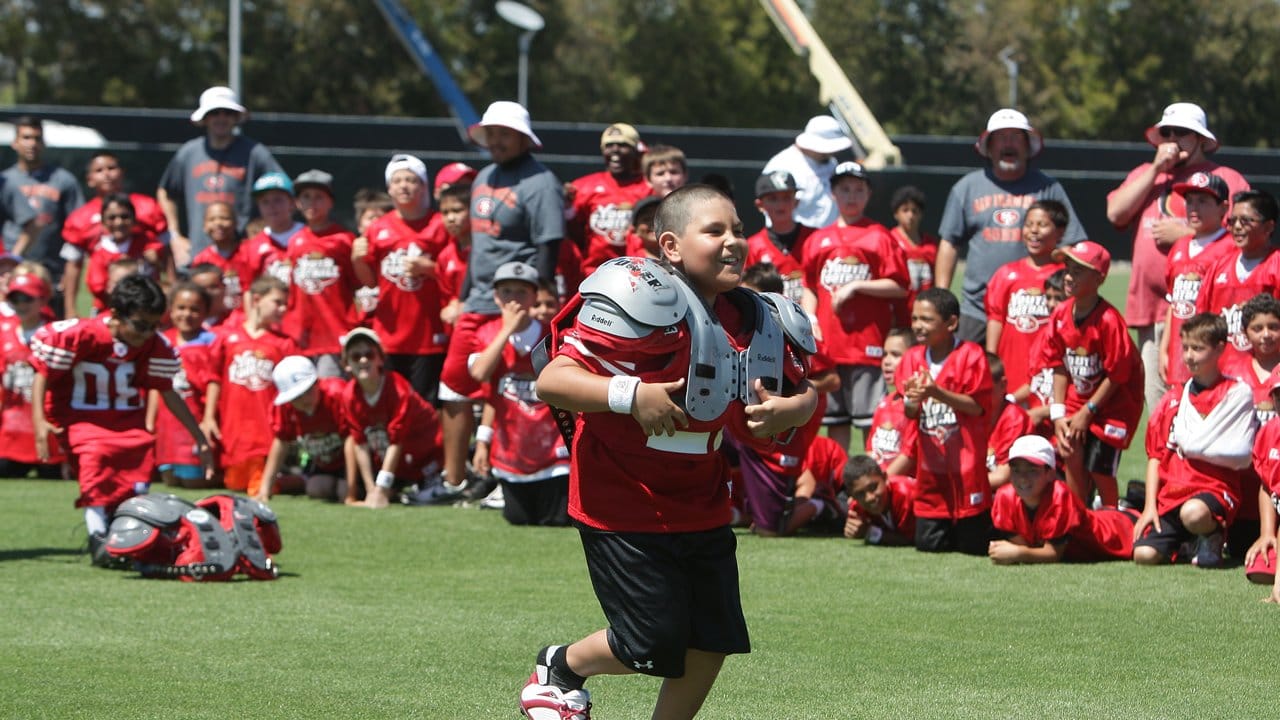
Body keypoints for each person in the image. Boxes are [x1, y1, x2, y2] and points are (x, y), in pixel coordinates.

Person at [521, 185, 818, 719]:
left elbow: (809, 390)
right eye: (715, 231)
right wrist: (630, 394)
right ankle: (561, 666)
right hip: (622, 501)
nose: (733, 242)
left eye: (739, 231)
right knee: (651, 643)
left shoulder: (757, 317)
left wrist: (791, 412)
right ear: (671, 245)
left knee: (712, 638)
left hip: (701, 502)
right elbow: (553, 380)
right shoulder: (638, 295)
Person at [30, 274, 212, 567]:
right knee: (95, 466)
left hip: (127, 420)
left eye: (154, 326)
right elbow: (43, 374)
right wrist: (39, 420)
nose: (146, 334)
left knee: (137, 473)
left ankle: (135, 534)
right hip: (81, 417)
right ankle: (97, 537)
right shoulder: (79, 334)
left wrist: (199, 437)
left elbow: (167, 390)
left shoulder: (152, 344)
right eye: (140, 325)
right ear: (115, 314)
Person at [438, 101, 565, 502]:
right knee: (453, 386)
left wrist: (539, 299)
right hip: (477, 300)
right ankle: (454, 482)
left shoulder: (541, 182)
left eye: (503, 133)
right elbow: (478, 248)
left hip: (516, 302)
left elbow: (549, 243)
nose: (494, 140)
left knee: (515, 392)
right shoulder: (483, 178)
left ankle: (512, 477)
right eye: (490, 133)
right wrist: (461, 298)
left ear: (523, 137)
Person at [1106, 102, 1250, 413]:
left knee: (1208, 406)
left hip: (1208, 316)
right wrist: (1156, 169)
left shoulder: (1225, 177)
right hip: (1152, 310)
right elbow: (1116, 212)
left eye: (1182, 133)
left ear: (1200, 139)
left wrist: (1185, 233)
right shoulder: (1146, 174)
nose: (1172, 139)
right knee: (1161, 408)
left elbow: (1244, 235)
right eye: (1166, 132)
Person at [935, 108, 1085, 345]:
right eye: (1001, 137)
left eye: (1015, 137)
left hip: (1033, 307)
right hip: (977, 310)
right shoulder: (966, 188)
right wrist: (941, 295)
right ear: (989, 147)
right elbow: (949, 243)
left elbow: (1074, 244)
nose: (1008, 144)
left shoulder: (1049, 188)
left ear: (1027, 146)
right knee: (967, 376)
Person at [1135, 313, 1258, 568]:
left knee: (1193, 513)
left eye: (1198, 348)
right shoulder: (1173, 400)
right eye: (1186, 348)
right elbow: (1155, 456)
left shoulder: (1236, 394)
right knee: (1144, 556)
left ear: (1220, 348)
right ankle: (1187, 542)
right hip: (1173, 494)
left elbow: (1242, 453)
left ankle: (1211, 535)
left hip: (1215, 491)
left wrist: (1196, 446)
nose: (1189, 355)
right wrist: (1149, 507)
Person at [801, 161, 907, 452]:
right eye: (845, 189)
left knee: (870, 421)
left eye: (858, 190)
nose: (851, 196)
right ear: (833, 193)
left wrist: (857, 286)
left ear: (868, 194)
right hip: (829, 346)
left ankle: (869, 478)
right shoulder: (818, 240)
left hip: (866, 344)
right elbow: (809, 286)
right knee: (836, 421)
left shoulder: (880, 236)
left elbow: (899, 285)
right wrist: (810, 318)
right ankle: (839, 485)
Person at [1041, 241, 1143, 508]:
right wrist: (1059, 413)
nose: (1068, 276)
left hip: (1114, 404)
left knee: (1100, 467)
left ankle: (1111, 517)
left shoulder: (1109, 320)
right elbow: (1058, 364)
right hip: (1079, 398)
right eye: (1068, 268)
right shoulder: (1061, 314)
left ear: (1099, 278)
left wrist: (1089, 411)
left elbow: (1118, 376)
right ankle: (1079, 517)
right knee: (1070, 451)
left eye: (1079, 270)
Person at [466, 264, 569, 525]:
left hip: (552, 451)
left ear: (534, 296)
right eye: (506, 291)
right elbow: (481, 375)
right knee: (519, 519)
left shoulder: (553, 335)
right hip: (511, 449)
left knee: (555, 521)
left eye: (522, 292)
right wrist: (482, 441)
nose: (513, 299)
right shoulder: (486, 334)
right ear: (495, 296)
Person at [897, 287, 993, 554]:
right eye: (915, 319)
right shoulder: (911, 358)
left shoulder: (971, 355)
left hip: (966, 467)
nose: (918, 326)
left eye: (927, 319)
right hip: (932, 471)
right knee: (929, 546)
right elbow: (909, 413)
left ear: (951, 323)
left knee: (972, 546)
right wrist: (912, 401)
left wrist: (936, 392)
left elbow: (977, 407)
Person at [352, 155, 449, 401]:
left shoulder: (439, 224)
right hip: (390, 335)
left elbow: (456, 274)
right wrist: (357, 259)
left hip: (429, 335)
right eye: (397, 181)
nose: (403, 186)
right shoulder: (378, 228)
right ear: (389, 188)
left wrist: (429, 268)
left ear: (423, 186)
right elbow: (370, 282)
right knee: (393, 402)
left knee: (425, 405)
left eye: (410, 180)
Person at [156, 86, 283, 267]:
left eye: (228, 113)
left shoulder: (255, 153)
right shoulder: (188, 153)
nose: (221, 118)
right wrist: (175, 236)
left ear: (236, 118)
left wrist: (264, 226)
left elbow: (281, 190)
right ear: (205, 118)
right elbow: (166, 192)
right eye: (214, 113)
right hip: (198, 256)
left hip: (243, 254)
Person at [201, 275, 298, 499]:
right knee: (235, 484)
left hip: (266, 425)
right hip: (234, 424)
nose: (283, 309)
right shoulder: (227, 336)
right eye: (277, 302)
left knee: (259, 486)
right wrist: (209, 416)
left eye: (285, 304)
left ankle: (298, 480)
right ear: (256, 300)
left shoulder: (283, 342)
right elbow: (213, 377)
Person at [988, 435, 1138, 564]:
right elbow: (1031, 547)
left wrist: (1018, 554)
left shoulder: (1059, 496)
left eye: (1032, 470)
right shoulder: (1004, 497)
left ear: (1050, 474)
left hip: (1121, 531)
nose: (1022, 478)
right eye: (1016, 470)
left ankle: (1135, 502)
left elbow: (1053, 553)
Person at [339, 328, 442, 509]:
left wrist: (382, 487)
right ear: (346, 364)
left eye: (369, 354)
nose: (363, 360)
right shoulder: (349, 395)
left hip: (427, 456)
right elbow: (359, 443)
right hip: (396, 464)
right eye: (355, 356)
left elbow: (397, 440)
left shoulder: (398, 389)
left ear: (380, 358)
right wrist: (372, 489)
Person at [60, 152, 168, 319]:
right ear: (90, 179)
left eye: (111, 168)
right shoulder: (80, 218)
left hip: (147, 299)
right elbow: (73, 266)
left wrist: (171, 285)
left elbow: (167, 254)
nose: (107, 174)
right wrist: (70, 309)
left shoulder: (147, 207)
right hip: (105, 303)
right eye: (99, 170)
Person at [983, 200, 1066, 399]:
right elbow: (995, 320)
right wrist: (990, 362)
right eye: (1029, 225)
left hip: (1049, 373)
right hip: (1011, 370)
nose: (1033, 231)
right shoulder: (1006, 274)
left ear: (1060, 232)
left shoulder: (1064, 276)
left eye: (1042, 225)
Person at [1159, 172, 1235, 388]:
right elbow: (1173, 304)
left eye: (1203, 201)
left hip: (1213, 354)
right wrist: (1165, 349)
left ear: (1223, 207)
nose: (1194, 207)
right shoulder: (1179, 247)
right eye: (1190, 201)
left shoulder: (1230, 247)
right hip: (1181, 351)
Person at [3, 115, 85, 312]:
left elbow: (77, 230)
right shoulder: (5, 181)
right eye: (26, 138)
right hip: (13, 269)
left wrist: (69, 271)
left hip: (52, 269)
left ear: (44, 143)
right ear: (15, 143)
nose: (32, 144)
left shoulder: (63, 180)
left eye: (37, 138)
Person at [1195, 189, 1280, 369]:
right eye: (1232, 221)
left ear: (1269, 227)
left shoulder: (1276, 265)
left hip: (1266, 373)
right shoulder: (1219, 267)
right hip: (1223, 373)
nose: (1237, 227)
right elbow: (1203, 319)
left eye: (1246, 221)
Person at [284, 169, 357, 378]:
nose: (312, 203)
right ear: (297, 203)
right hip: (300, 337)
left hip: (334, 335)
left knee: (331, 392)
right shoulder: (294, 241)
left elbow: (357, 286)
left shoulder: (344, 239)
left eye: (318, 197)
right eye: (305, 197)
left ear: (330, 202)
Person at [149, 282, 218, 489]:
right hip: (166, 420)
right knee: (169, 478)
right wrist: (150, 419)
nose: (187, 314)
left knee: (193, 480)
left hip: (192, 415)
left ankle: (231, 479)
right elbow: (155, 383)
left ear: (206, 312)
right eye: (181, 308)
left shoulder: (209, 341)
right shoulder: (162, 340)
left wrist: (208, 417)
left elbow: (213, 381)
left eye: (194, 309)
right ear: (170, 309)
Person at [256, 354, 349, 503]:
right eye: (297, 396)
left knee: (344, 491)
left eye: (307, 391)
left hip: (350, 462)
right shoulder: (284, 407)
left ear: (316, 382)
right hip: (324, 464)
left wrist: (351, 490)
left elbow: (353, 440)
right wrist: (265, 489)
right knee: (317, 489)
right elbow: (281, 442)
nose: (304, 400)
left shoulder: (337, 394)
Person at [0, 272, 65, 478]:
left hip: (48, 431)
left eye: (27, 298)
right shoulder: (3, 331)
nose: (21, 304)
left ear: (43, 299)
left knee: (52, 474)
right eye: (15, 299)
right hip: (10, 435)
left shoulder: (57, 334)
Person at [569, 123, 654, 276]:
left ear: (635, 151)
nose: (615, 149)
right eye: (609, 145)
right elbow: (573, 233)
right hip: (593, 274)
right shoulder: (584, 187)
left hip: (638, 274)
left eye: (623, 145)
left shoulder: (649, 188)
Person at [761, 115, 851, 228]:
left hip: (830, 241)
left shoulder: (831, 162)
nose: (833, 152)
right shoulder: (781, 165)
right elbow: (772, 212)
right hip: (796, 243)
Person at [83, 194, 166, 312]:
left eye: (124, 216)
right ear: (103, 221)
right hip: (110, 309)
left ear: (134, 219)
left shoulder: (147, 243)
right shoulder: (101, 252)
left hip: (146, 308)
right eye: (112, 218)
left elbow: (165, 270)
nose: (119, 222)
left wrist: (156, 261)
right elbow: (97, 286)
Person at [745, 171, 816, 305]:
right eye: (773, 198)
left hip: (812, 320)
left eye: (786, 197)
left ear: (796, 201)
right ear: (760, 205)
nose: (780, 204)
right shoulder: (753, 246)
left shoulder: (815, 238)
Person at [239, 172, 303, 289]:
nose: (271, 206)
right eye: (265, 201)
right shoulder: (251, 247)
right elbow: (248, 289)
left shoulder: (310, 237)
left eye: (278, 200)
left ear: (293, 203)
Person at [865, 326, 915, 473]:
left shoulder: (915, 403)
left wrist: (882, 481)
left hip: (902, 486)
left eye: (895, 354)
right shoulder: (885, 402)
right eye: (885, 354)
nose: (886, 361)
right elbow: (871, 449)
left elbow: (910, 454)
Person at [887, 185, 938, 327]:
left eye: (915, 211)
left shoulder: (930, 245)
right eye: (905, 210)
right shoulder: (889, 240)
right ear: (896, 214)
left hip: (925, 313)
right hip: (898, 313)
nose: (910, 215)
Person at [843, 454, 917, 545]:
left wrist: (871, 533)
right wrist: (852, 528)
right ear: (852, 496)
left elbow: (913, 539)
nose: (869, 498)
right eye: (860, 494)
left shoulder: (907, 495)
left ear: (885, 478)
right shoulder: (857, 506)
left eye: (873, 487)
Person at [985, 353, 1033, 489]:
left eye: (986, 390)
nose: (978, 396)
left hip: (1010, 495)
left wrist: (960, 486)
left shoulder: (1013, 419)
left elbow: (1002, 476)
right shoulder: (969, 414)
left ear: (1002, 385)